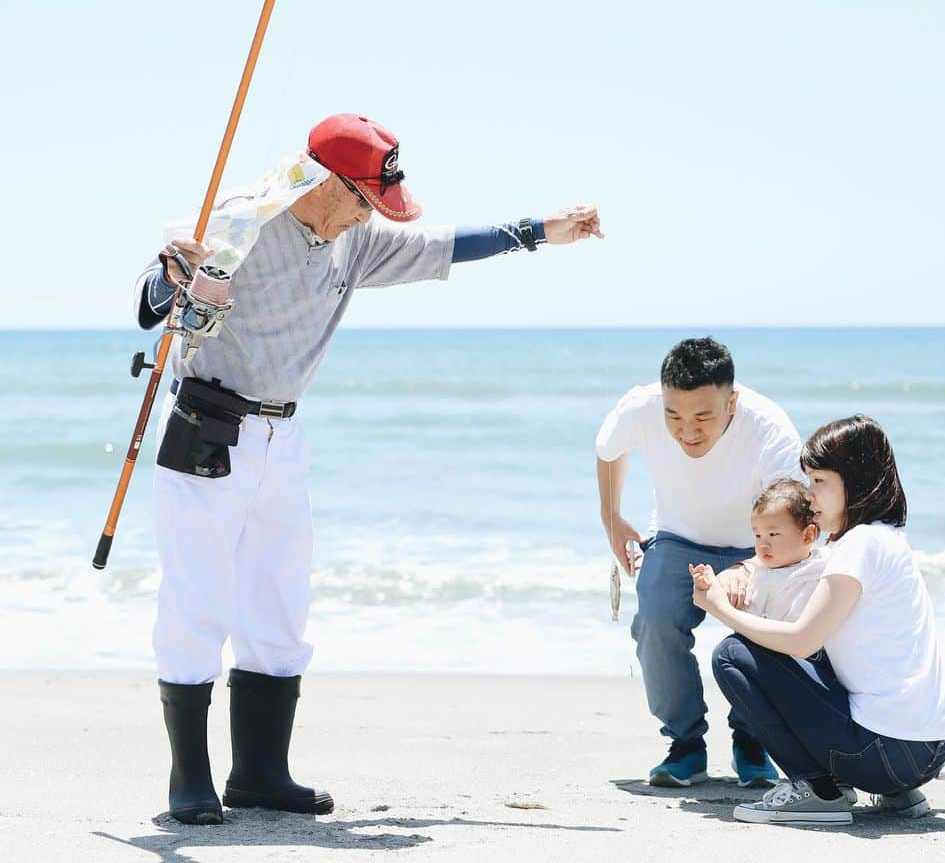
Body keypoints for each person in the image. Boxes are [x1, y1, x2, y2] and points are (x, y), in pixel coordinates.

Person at [136, 112, 604, 825]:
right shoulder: (239, 224)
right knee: (197, 602)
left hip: (282, 438)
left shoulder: (354, 242)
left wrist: (545, 229)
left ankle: (260, 774)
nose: (370, 216)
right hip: (207, 430)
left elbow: (448, 246)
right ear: (323, 181)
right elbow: (150, 305)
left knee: (280, 604)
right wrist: (175, 274)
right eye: (362, 200)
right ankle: (189, 781)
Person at [691, 415, 945, 826]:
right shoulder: (886, 539)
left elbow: (800, 640)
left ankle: (818, 789)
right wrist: (745, 570)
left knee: (732, 654)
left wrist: (721, 610)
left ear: (855, 480)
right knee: (818, 658)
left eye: (819, 482)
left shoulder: (858, 545)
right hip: (929, 751)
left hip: (886, 755)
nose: (810, 497)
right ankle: (897, 794)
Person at [594, 337, 803, 788]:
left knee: (765, 628)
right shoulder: (641, 406)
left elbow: (792, 518)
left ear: (733, 402)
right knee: (655, 619)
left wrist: (749, 568)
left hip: (757, 546)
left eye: (703, 416)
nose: (687, 429)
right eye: (675, 415)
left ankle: (753, 740)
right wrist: (612, 517)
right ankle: (685, 745)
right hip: (677, 539)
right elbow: (609, 448)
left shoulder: (770, 428)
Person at [742, 479, 826, 623]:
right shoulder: (762, 577)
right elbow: (747, 617)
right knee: (733, 644)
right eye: (758, 536)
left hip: (814, 639)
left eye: (773, 534)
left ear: (807, 536)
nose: (763, 545)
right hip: (771, 640)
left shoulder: (825, 561)